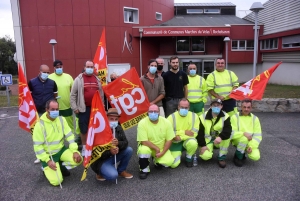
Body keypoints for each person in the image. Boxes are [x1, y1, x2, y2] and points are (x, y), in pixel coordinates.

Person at [32, 99, 82, 186]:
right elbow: (38, 147)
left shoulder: (62, 119)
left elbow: (70, 136)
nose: (55, 111)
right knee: (57, 182)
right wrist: (47, 161)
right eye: (52, 109)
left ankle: (60, 166)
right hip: (49, 155)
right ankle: (45, 168)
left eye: (57, 109)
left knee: (78, 159)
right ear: (47, 109)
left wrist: (74, 151)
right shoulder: (40, 125)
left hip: (61, 150)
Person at [70, 60, 104, 157]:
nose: (90, 68)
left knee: (94, 128)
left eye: (91, 67)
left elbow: (101, 95)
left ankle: (93, 146)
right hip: (83, 109)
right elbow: (73, 95)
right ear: (84, 67)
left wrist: (102, 108)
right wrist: (74, 107)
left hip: (96, 109)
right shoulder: (79, 79)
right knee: (83, 129)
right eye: (88, 66)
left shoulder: (97, 79)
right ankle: (85, 147)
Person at [91, 108, 133, 181]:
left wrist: (118, 143)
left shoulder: (118, 128)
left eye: (116, 119)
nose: (114, 121)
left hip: (113, 155)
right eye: (111, 119)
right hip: (100, 160)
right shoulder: (99, 130)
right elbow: (94, 153)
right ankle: (99, 172)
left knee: (129, 150)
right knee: (113, 176)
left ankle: (121, 170)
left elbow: (125, 142)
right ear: (106, 118)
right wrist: (110, 152)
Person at [28, 64, 58, 164]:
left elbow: (55, 94)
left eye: (47, 72)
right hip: (37, 113)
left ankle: (52, 153)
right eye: (44, 72)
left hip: (49, 113)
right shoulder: (32, 82)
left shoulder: (52, 83)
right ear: (39, 72)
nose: (46, 74)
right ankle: (39, 155)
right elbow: (29, 96)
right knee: (38, 135)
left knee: (49, 134)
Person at [137, 104, 175, 179]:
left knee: (169, 162)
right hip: (148, 147)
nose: (153, 113)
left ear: (159, 112)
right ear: (147, 112)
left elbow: (169, 139)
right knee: (143, 151)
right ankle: (144, 169)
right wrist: (156, 148)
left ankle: (156, 161)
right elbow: (144, 141)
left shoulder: (166, 122)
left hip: (161, 148)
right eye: (151, 111)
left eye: (155, 111)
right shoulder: (142, 123)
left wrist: (163, 152)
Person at [48, 60, 80, 138]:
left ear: (63, 67)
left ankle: (72, 141)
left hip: (67, 105)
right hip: (54, 107)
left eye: (60, 67)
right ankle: (57, 141)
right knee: (55, 124)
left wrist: (75, 103)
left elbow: (73, 91)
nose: (59, 68)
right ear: (54, 68)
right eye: (57, 67)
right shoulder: (49, 77)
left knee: (69, 125)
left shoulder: (68, 76)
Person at [197, 98, 232, 168]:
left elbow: (228, 130)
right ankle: (209, 150)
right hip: (208, 140)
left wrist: (221, 137)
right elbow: (199, 133)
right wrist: (203, 145)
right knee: (205, 156)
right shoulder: (202, 117)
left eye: (218, 105)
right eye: (214, 105)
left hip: (219, 140)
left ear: (221, 106)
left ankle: (221, 158)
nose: (216, 107)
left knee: (227, 138)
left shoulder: (226, 116)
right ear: (210, 106)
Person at [167, 98, 199, 168]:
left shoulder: (194, 116)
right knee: (173, 165)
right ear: (178, 107)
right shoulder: (171, 117)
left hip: (186, 140)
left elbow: (194, 133)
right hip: (175, 142)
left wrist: (180, 136)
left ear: (189, 107)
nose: (184, 109)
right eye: (182, 107)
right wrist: (184, 132)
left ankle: (189, 157)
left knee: (193, 143)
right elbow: (168, 132)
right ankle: (177, 154)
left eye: (186, 107)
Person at [230, 99, 262, 167]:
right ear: (241, 107)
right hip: (238, 140)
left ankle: (242, 152)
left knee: (256, 156)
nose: (246, 109)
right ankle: (238, 157)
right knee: (244, 139)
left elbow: (258, 136)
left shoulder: (255, 119)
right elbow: (231, 133)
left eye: (248, 107)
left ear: (251, 108)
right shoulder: (234, 117)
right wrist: (243, 133)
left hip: (250, 142)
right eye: (244, 107)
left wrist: (251, 146)